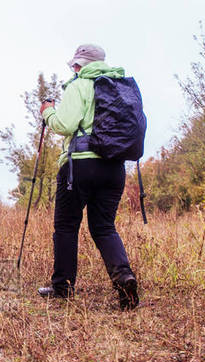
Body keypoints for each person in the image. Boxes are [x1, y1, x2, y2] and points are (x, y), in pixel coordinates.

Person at [37, 44, 139, 310]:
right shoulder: (121, 86)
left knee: (67, 226)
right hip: (115, 167)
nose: (73, 69)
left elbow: (66, 124)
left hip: (80, 166)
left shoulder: (79, 85)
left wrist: (48, 112)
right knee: (104, 226)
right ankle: (124, 276)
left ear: (79, 65)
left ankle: (63, 287)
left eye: (74, 65)